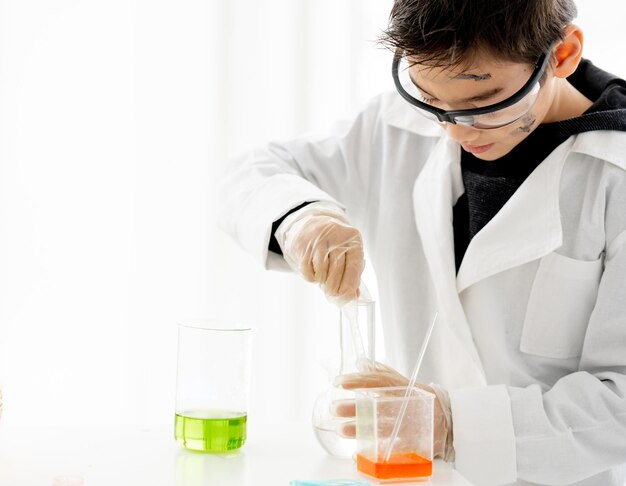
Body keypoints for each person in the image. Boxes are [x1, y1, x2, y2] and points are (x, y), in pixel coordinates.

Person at [218, 0, 626, 484]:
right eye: (429, 96)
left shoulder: (614, 176)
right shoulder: (399, 123)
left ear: (563, 54)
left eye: (482, 102)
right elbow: (249, 173)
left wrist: (455, 427)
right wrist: (301, 218)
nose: (453, 127)